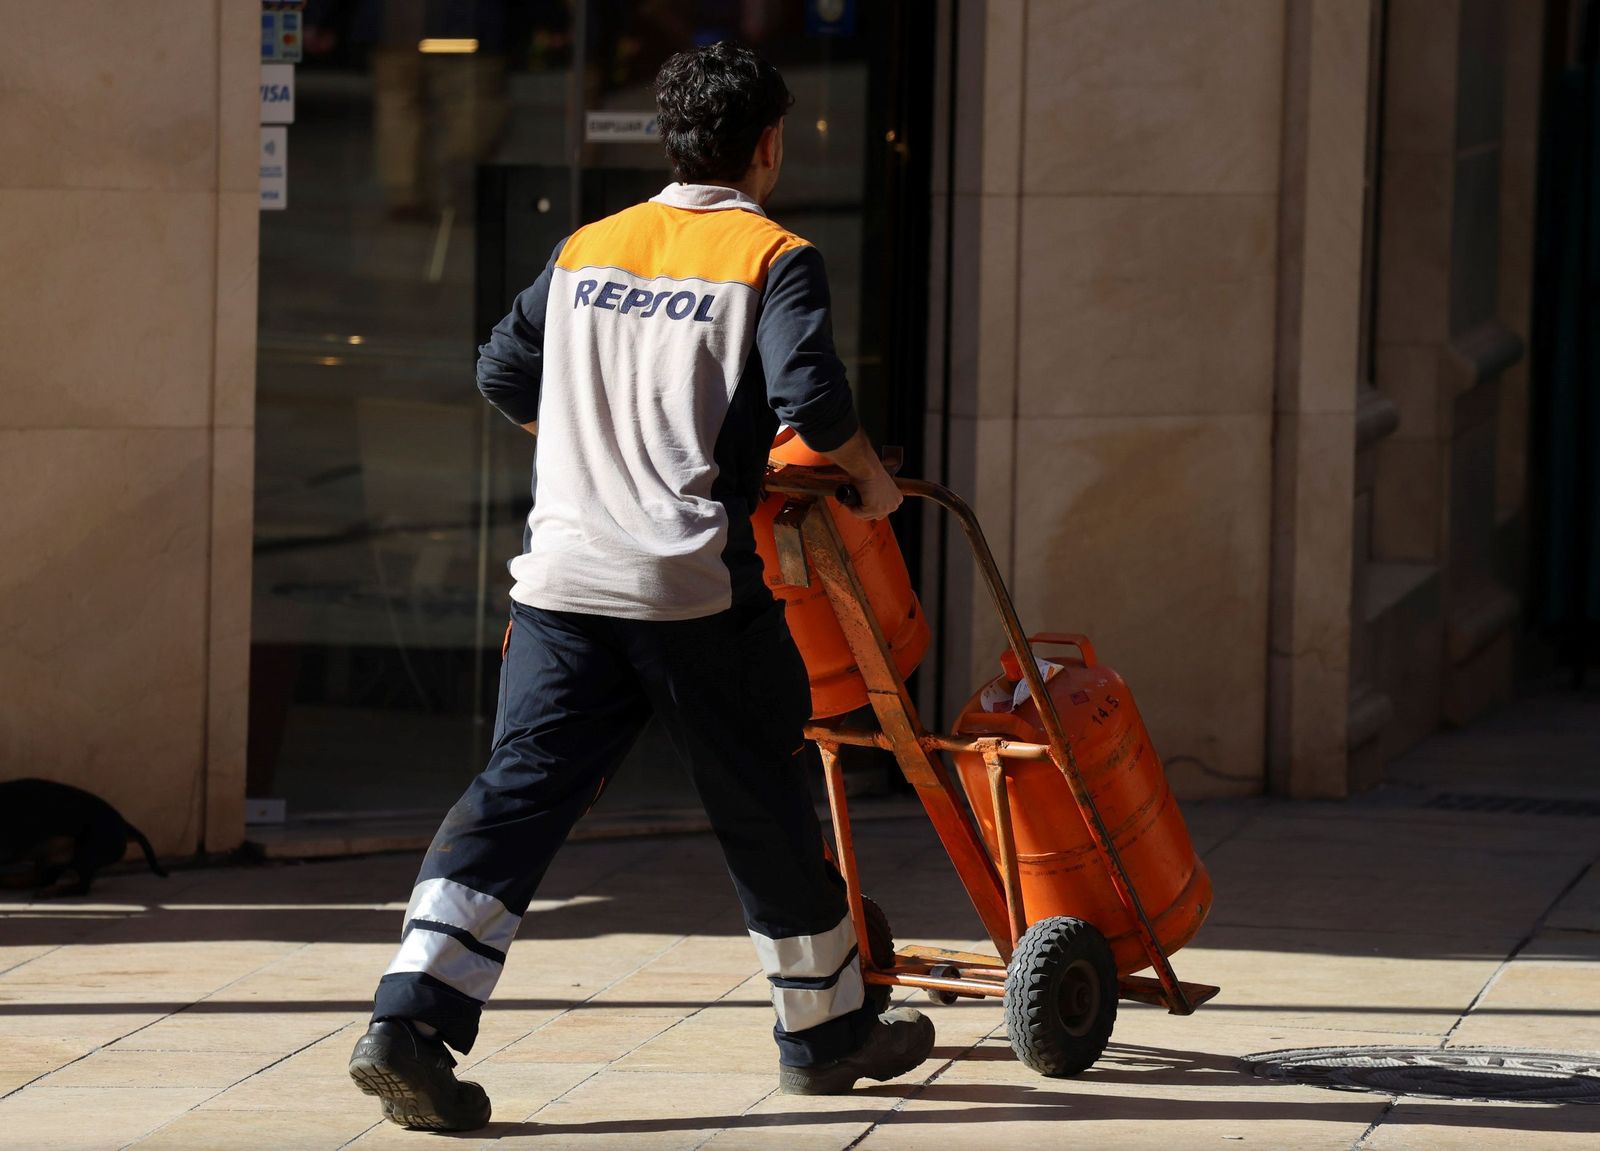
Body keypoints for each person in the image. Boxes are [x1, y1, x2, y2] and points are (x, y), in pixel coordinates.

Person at [346, 41, 932, 1132]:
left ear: (672, 140)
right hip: (688, 588)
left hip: (561, 580)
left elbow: (502, 370)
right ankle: (825, 1031)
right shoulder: (773, 254)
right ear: (768, 145)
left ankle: (408, 1021)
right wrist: (870, 484)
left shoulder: (588, 246)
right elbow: (816, 394)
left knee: (515, 798)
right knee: (762, 797)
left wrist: (591, 447)